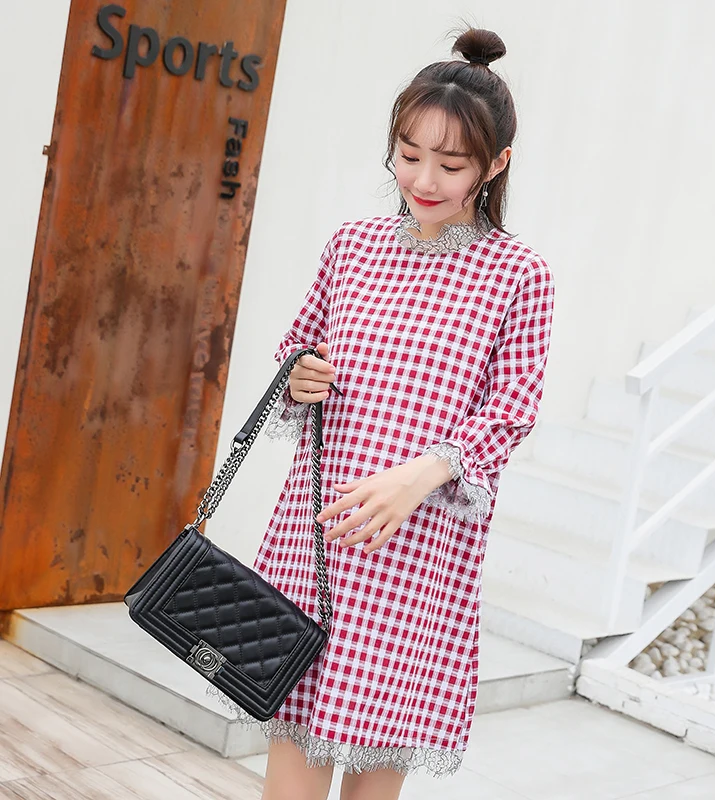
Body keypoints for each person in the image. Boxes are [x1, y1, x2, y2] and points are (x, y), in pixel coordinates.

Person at [220, 26, 555, 800]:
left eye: (451, 164)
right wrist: (302, 374)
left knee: (374, 780)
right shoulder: (353, 247)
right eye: (408, 155)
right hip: (319, 535)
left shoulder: (518, 275)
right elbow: (297, 349)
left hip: (419, 552)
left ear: (495, 164)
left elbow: (512, 408)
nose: (423, 179)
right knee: (290, 771)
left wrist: (420, 476)